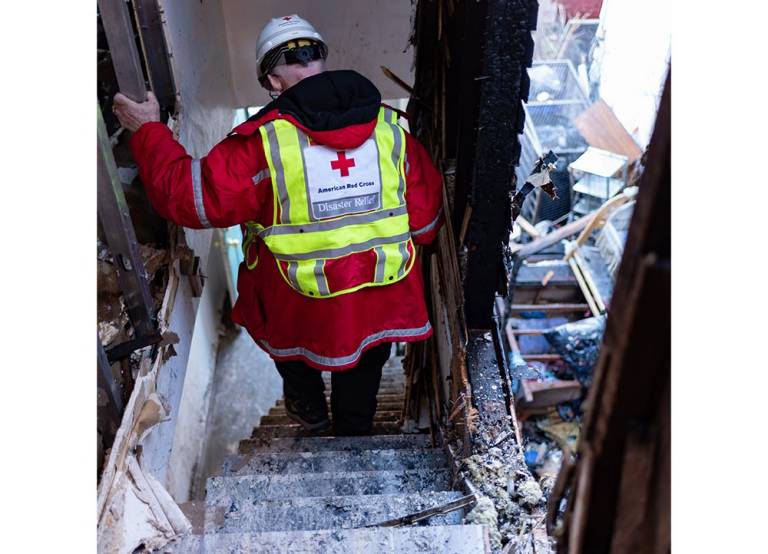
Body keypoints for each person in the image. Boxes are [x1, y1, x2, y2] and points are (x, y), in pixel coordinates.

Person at [112, 14, 444, 436]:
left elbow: (188, 198)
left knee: (294, 356)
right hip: (382, 296)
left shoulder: (261, 146)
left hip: (299, 305)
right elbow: (428, 220)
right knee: (363, 378)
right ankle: (352, 434)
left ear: (272, 81)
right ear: (321, 61)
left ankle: (310, 413)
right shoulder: (391, 133)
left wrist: (148, 131)